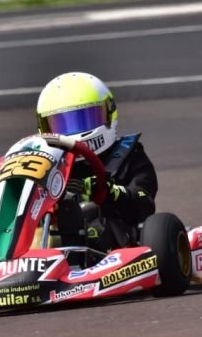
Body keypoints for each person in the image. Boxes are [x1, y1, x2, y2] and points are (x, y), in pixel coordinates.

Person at [36, 72, 159, 252]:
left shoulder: (128, 157)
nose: (75, 133)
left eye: (84, 120)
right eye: (63, 125)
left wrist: (110, 192)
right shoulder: (47, 166)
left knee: (91, 211)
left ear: (109, 114)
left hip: (111, 249)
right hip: (51, 247)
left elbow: (144, 203)